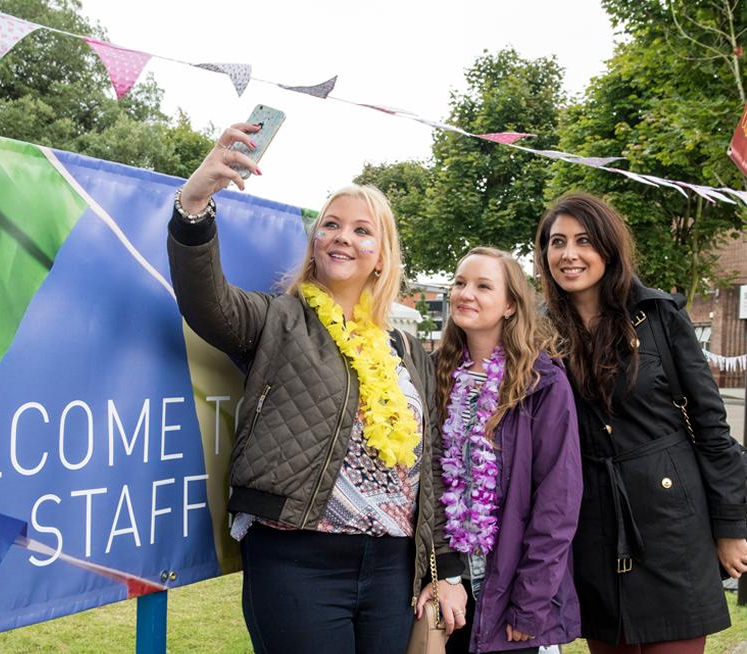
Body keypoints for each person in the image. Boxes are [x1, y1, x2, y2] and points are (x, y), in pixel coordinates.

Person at [165, 122, 467, 654]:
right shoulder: (278, 320)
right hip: (297, 560)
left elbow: (433, 467)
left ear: (382, 255)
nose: (342, 237)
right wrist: (195, 201)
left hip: (392, 569)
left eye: (361, 230)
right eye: (330, 225)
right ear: (315, 240)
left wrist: (446, 570)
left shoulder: (405, 348)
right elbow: (206, 302)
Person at [535, 192, 747, 654]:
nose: (569, 254)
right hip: (591, 526)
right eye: (557, 242)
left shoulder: (658, 315)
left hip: (672, 523)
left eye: (584, 240)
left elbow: (712, 425)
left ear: (608, 248)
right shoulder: (541, 332)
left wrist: (731, 527)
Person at [418, 247, 582, 654]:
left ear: (510, 305)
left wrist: (531, 601)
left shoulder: (541, 382)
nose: (465, 293)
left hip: (512, 589)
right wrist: (438, 574)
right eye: (459, 283)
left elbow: (558, 500)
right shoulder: (433, 374)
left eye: (483, 286)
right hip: (447, 582)